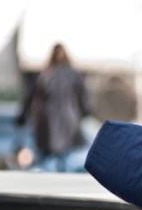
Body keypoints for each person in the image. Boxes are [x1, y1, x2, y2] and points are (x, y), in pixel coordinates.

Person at [19, 43, 91, 171]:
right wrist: (85, 112)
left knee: (49, 158)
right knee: (66, 156)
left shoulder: (46, 75)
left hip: (48, 121)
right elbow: (84, 99)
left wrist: (22, 117)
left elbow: (30, 98)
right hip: (69, 120)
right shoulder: (74, 75)